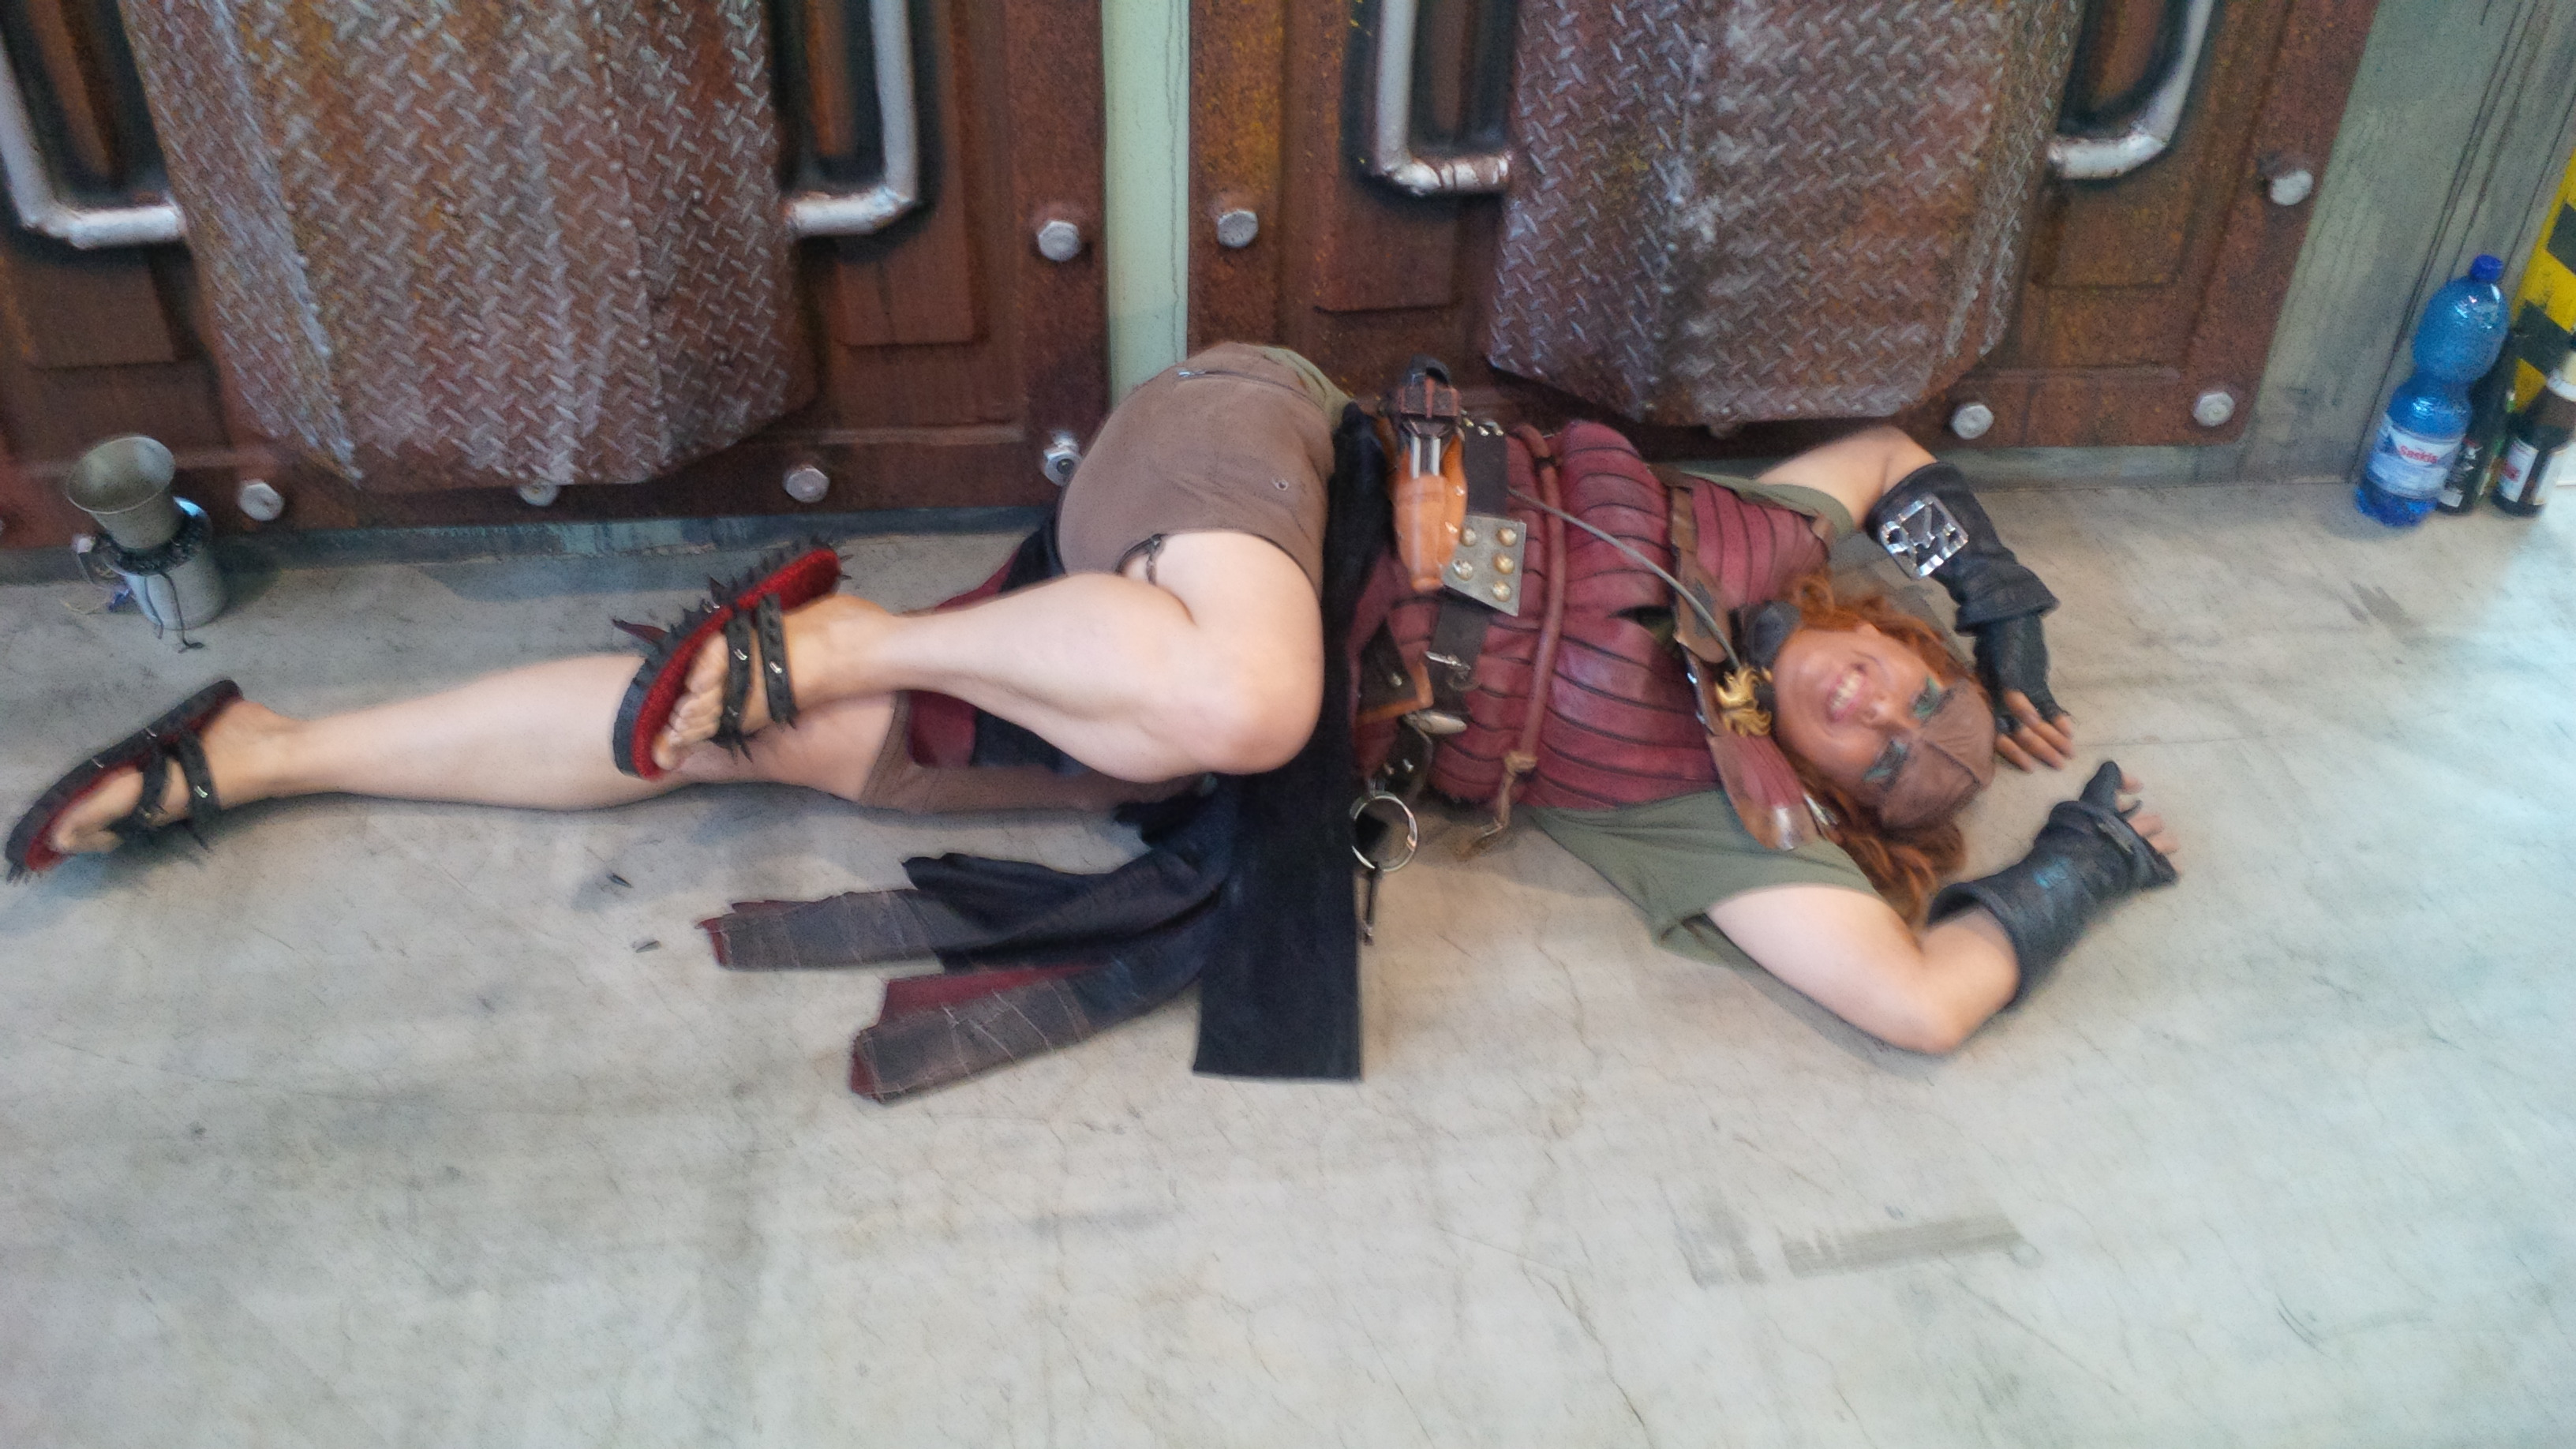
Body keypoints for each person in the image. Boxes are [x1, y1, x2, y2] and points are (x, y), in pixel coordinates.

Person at [6, 344, 2177, 1058]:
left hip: (1163, 682)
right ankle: (859, 629)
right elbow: (1904, 455)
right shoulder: (1783, 534)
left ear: (1846, 801)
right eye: (1912, 676)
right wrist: (2013, 627)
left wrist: (2078, 865)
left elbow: (1921, 999)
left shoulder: (1722, 821)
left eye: (1895, 755)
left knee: (748, 737)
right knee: (1248, 688)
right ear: (1894, 626)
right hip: (1256, 453)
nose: (1879, 704)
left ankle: (256, 753)